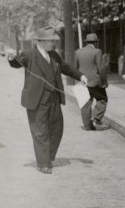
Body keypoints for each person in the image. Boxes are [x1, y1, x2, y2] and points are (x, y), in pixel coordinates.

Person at [7, 27, 88, 174]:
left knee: (57, 129)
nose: (53, 43)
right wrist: (11, 58)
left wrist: (80, 76)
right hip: (36, 100)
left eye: (53, 40)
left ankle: (48, 156)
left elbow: (66, 68)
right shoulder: (29, 54)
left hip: (54, 99)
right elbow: (17, 63)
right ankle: (43, 163)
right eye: (51, 40)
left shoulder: (54, 55)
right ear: (41, 42)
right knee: (40, 131)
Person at [74, 33, 108, 130]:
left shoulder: (78, 52)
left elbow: (74, 69)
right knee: (102, 99)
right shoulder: (97, 51)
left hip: (82, 82)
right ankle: (96, 118)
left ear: (87, 42)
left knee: (85, 104)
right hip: (95, 82)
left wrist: (77, 81)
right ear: (96, 42)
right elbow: (101, 68)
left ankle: (87, 126)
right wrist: (104, 82)